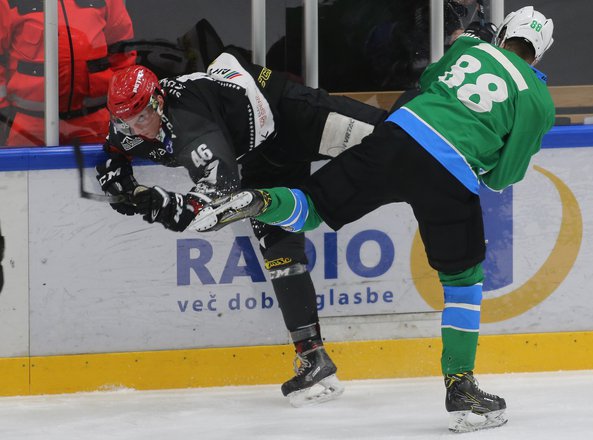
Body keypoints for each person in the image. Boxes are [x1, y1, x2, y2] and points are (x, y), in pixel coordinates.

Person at [204, 6, 555, 433]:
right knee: (463, 281)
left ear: (502, 34)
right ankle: (460, 386)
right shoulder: (538, 100)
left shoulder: (469, 47)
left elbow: (427, 84)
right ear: (538, 55)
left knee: (311, 207)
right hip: (450, 170)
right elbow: (504, 177)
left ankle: (256, 200)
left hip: (399, 134)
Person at [95, 48, 387, 407]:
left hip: (293, 118)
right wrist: (117, 179)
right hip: (258, 163)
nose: (136, 130)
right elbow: (113, 149)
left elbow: (218, 197)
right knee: (281, 257)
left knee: (397, 138)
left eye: (141, 118)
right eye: (126, 122)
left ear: (158, 102)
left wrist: (160, 203)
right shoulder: (130, 122)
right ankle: (314, 359)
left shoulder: (191, 122)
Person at [0, 0, 135, 147]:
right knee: (20, 169)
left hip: (95, 120)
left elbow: (122, 50)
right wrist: (3, 112)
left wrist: (124, 105)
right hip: (28, 125)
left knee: (103, 168)